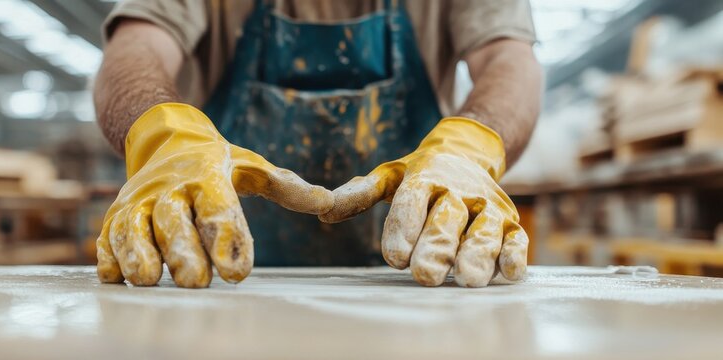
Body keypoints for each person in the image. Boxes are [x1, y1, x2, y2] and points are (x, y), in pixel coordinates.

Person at [93, 0, 542, 289]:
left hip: (415, 280)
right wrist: (167, 141)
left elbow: (511, 62)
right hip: (223, 278)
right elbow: (134, 49)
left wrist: (467, 151)